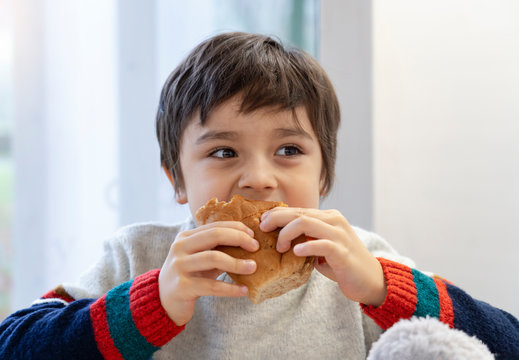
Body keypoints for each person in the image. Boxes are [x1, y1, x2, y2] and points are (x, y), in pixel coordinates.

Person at [1, 32, 518, 359]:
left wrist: (384, 290)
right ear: (176, 179)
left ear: (323, 177)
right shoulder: (139, 257)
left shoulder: (362, 263)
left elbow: (504, 344)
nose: (259, 178)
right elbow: (14, 343)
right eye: (224, 152)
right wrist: (153, 302)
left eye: (289, 149)